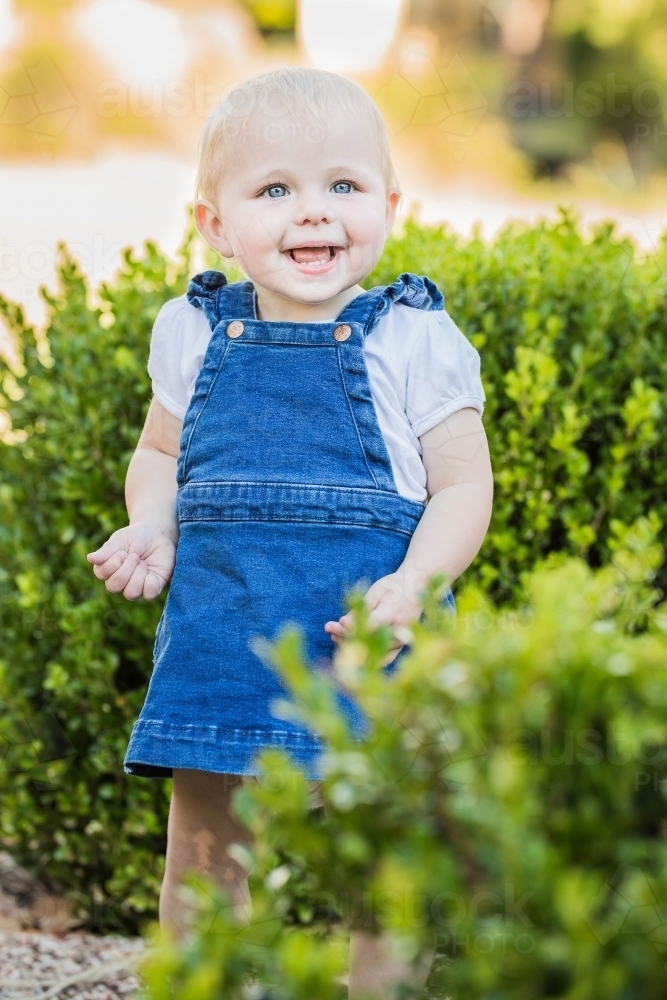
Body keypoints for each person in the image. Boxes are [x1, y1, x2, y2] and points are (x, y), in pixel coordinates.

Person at [86, 67, 493, 999]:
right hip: (225, 631)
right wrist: (154, 521)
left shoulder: (412, 338)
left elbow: (464, 485)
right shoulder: (193, 331)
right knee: (203, 848)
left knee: (386, 855)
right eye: (275, 190)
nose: (314, 213)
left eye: (343, 187)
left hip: (369, 635)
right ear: (215, 224)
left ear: (389, 204)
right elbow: (159, 453)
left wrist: (419, 581)